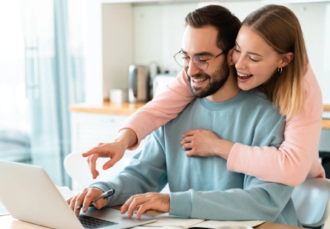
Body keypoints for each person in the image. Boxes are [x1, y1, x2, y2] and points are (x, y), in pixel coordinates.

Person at [68, 5, 299, 227]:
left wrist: (172, 202)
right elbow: (141, 174)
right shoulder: (176, 109)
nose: (190, 70)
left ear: (232, 56)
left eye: (203, 58)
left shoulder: (270, 115)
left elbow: (261, 201)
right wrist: (103, 190)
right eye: (186, 57)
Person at [83, 4, 325, 185]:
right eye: (237, 51)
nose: (238, 64)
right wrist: (121, 141)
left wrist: (219, 146)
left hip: (300, 189)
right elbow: (158, 108)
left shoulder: (302, 92)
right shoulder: (201, 72)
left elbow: (292, 169)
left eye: (253, 58)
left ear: (284, 60)